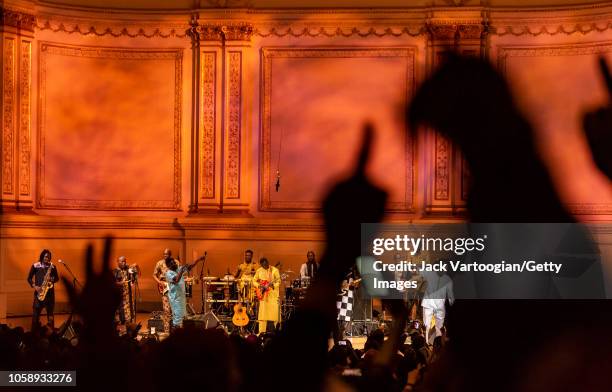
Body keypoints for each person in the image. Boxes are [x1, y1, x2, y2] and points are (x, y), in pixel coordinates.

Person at [27, 249, 59, 331]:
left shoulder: (52, 266)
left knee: (50, 318)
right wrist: (35, 286)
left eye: (48, 257)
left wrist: (52, 279)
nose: (47, 258)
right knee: (35, 317)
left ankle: (51, 336)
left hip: (49, 295)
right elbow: (29, 278)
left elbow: (57, 278)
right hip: (39, 294)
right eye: (45, 257)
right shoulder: (35, 266)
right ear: (42, 256)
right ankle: (34, 334)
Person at [420, 269, 454, 345]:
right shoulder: (430, 275)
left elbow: (450, 294)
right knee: (427, 325)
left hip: (439, 305)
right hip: (429, 303)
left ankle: (438, 343)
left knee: (439, 326)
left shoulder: (447, 279)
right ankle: (426, 343)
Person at [153, 248, 180, 332]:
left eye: (167, 254)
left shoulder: (176, 262)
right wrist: (160, 282)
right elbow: (154, 275)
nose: (165, 256)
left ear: (170, 255)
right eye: (164, 254)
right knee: (166, 310)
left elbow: (180, 273)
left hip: (174, 287)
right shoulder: (160, 263)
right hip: (165, 288)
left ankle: (176, 330)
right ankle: (167, 330)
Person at [253, 257, 280, 333]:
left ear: (268, 262)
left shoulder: (275, 270)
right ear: (261, 265)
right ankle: (261, 332)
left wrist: (272, 285)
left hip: (273, 295)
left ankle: (276, 332)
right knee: (263, 315)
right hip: (263, 295)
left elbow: (278, 281)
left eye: (266, 264)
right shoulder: (259, 271)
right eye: (263, 265)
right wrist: (259, 286)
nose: (265, 266)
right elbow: (254, 280)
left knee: (274, 314)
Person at [113, 256, 137, 326]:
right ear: (118, 262)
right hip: (120, 296)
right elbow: (111, 283)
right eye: (122, 261)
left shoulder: (128, 270)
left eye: (125, 261)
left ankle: (129, 328)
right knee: (121, 314)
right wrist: (121, 283)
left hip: (128, 295)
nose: (124, 263)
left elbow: (136, 276)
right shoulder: (115, 271)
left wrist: (136, 267)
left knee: (129, 314)